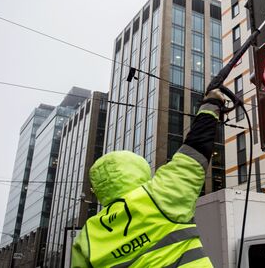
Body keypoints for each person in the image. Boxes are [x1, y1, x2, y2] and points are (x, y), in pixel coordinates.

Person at [72, 89, 226, 267]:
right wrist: (211, 104)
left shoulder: (87, 236)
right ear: (140, 170)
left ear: (99, 188)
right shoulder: (159, 194)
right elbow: (194, 152)